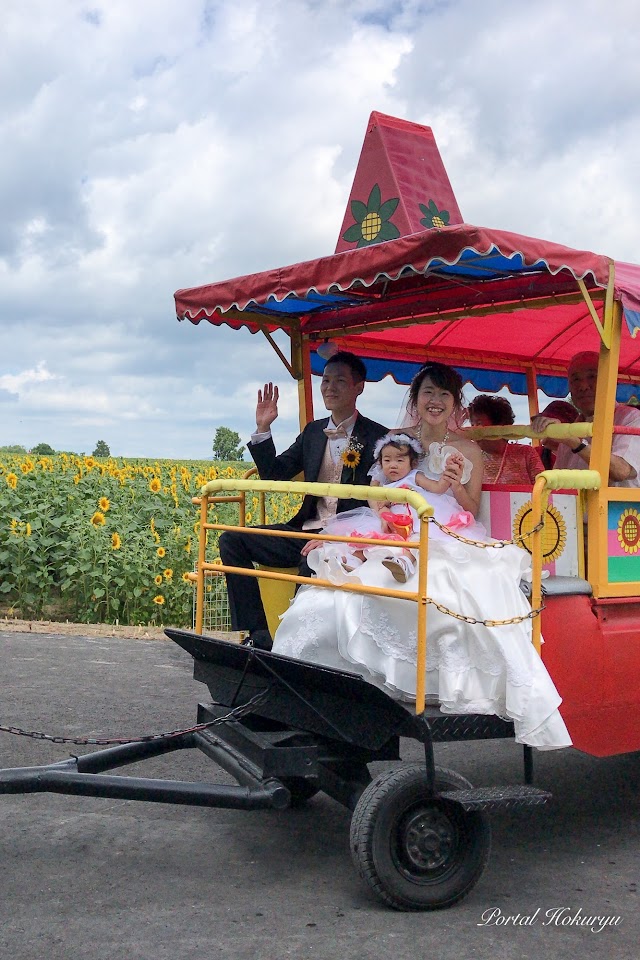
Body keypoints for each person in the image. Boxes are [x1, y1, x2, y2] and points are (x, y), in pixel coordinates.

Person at [273, 361, 571, 750]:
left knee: (446, 586)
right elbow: (376, 490)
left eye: (444, 395)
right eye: (428, 392)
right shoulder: (396, 441)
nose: (435, 401)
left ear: (454, 403)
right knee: (336, 578)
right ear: (415, 399)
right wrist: (343, 532)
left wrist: (451, 481)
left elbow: (470, 503)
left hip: (446, 525)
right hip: (393, 520)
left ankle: (417, 679)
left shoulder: (467, 450)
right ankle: (336, 678)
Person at [219, 351, 387, 649]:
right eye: (325, 380)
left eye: (340, 381)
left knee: (311, 561)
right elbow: (275, 473)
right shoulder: (313, 431)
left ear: (359, 387)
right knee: (232, 540)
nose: (329, 387)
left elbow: (382, 501)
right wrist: (263, 429)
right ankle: (258, 635)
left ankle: (294, 648)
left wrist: (340, 538)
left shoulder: (378, 437)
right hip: (306, 529)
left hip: (347, 540)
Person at [308, 431, 476, 583]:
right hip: (392, 520)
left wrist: (448, 474)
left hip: (414, 517)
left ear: (413, 463)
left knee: (416, 539)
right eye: (387, 460)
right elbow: (376, 499)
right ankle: (352, 560)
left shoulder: (414, 477)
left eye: (400, 460)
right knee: (368, 537)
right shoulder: (384, 485)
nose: (393, 465)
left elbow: (438, 487)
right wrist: (383, 509)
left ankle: (405, 563)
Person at [531, 351, 640, 486]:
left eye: (592, 376)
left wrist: (576, 443)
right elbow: (560, 486)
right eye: (576, 379)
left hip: (619, 507)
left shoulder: (631, 418)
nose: (583, 386)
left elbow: (621, 471)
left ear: (611, 381)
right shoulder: (570, 431)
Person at [467, 394, 544, 484]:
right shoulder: (470, 458)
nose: (474, 430)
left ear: (499, 425)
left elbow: (543, 487)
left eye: (479, 423)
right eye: (472, 425)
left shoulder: (526, 453)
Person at [536, 400, 579, 469]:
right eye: (542, 422)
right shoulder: (534, 454)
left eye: (548, 423)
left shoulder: (579, 456)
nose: (542, 426)